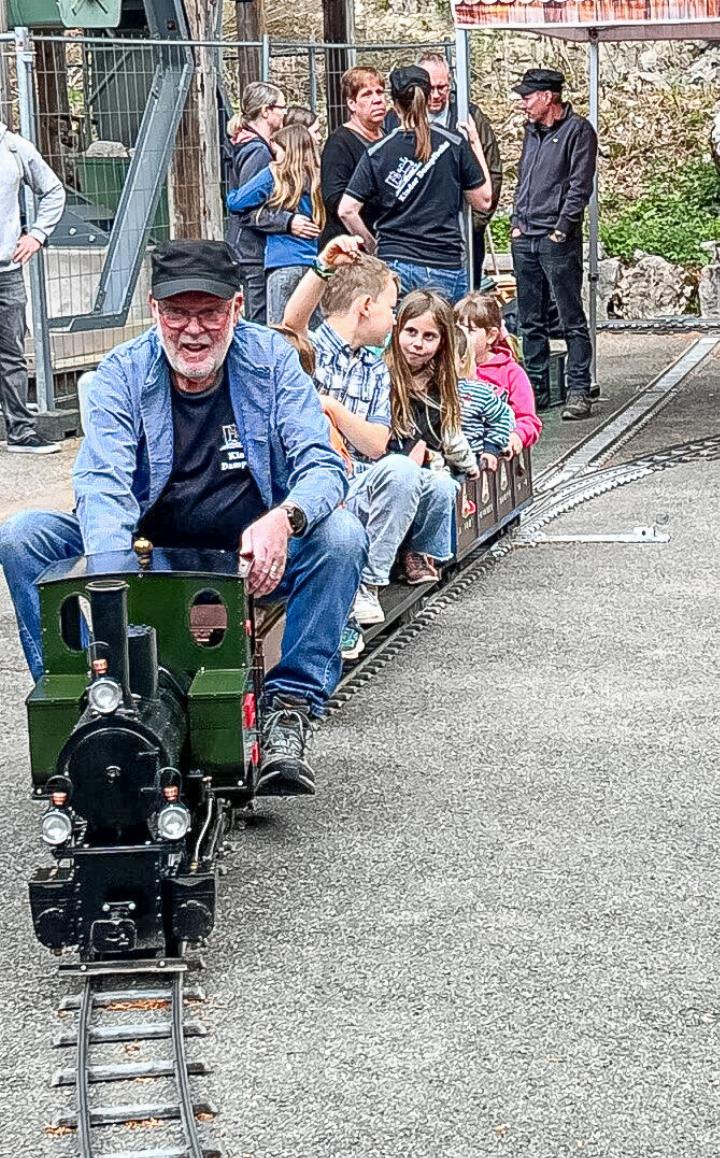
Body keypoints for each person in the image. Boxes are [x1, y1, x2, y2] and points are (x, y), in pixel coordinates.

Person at [0, 240, 368, 797]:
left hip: (248, 555)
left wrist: (283, 520)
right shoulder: (122, 372)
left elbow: (322, 466)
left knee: (341, 535)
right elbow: (104, 483)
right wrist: (111, 577)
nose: (192, 330)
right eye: (177, 313)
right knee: (24, 536)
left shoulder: (273, 362)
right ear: (154, 310)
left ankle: (289, 710)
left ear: (237, 309)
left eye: (209, 313)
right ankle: (83, 703)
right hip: (147, 551)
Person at [284, 236, 466, 629]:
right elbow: (292, 323)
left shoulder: (376, 367)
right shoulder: (317, 351)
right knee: (403, 471)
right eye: (390, 307)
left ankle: (384, 569)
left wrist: (333, 407)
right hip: (327, 482)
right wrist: (323, 266)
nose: (394, 319)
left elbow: (375, 442)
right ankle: (365, 582)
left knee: (433, 483)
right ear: (366, 307)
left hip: (365, 477)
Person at [338, 66, 491, 304]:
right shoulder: (454, 144)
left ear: (394, 104)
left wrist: (373, 247)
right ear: (428, 97)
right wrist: (475, 144)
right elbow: (484, 200)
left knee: (398, 337)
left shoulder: (378, 152)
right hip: (444, 261)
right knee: (443, 337)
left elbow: (346, 210)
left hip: (395, 261)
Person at [510, 68, 598, 420]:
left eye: (528, 97)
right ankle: (537, 391)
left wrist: (561, 229)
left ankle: (578, 388)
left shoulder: (578, 131)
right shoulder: (531, 132)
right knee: (530, 318)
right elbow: (523, 176)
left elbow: (580, 185)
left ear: (548, 97)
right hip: (527, 233)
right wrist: (517, 222)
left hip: (555, 238)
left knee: (569, 314)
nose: (523, 104)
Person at [385, 52, 502, 285]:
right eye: (431, 88)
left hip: (459, 232)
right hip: (409, 238)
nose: (437, 95)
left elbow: (492, 171)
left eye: (443, 87)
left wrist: (473, 224)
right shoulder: (393, 121)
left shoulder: (469, 116)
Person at [386, 290, 479, 584]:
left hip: (427, 464)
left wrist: (467, 464)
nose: (417, 344)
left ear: (442, 342)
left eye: (429, 337)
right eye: (411, 332)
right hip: (389, 461)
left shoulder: (442, 384)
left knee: (443, 485)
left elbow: (448, 434)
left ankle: (418, 549)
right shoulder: (382, 374)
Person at [0, 121, 66, 454]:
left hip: (6, 271)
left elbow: (54, 190)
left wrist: (37, 234)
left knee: (11, 353)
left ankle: (20, 432)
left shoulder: (13, 147)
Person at [227, 124, 324, 325]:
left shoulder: (275, 174)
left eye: (276, 152)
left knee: (279, 333)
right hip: (312, 266)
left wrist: (234, 187)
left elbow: (236, 203)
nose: (273, 158)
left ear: (286, 152)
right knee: (312, 334)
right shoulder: (317, 179)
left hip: (282, 264)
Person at [225, 81, 296, 323]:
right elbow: (246, 208)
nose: (285, 114)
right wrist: (287, 222)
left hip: (247, 250)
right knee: (260, 321)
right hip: (252, 252)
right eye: (282, 108)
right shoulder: (258, 152)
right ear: (266, 111)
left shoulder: (251, 145)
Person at [455, 292, 542, 453]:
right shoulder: (449, 367)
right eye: (457, 329)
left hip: (494, 450)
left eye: (469, 330)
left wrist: (516, 436)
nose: (461, 336)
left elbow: (528, 419)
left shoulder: (511, 372)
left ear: (491, 335)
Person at [319, 66, 386, 250]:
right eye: (367, 94)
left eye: (380, 92)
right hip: (348, 247)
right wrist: (371, 246)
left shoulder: (388, 138)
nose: (377, 99)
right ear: (352, 104)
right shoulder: (339, 143)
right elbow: (335, 200)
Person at [454, 325, 514, 470]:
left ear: (462, 361)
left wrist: (491, 448)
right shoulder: (424, 392)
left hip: (474, 459)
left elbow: (504, 418)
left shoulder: (478, 392)